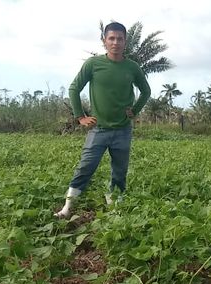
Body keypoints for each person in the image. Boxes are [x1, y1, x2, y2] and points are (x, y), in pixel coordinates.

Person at [56, 21, 151, 218]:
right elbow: (74, 88)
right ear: (104, 41)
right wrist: (80, 117)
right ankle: (67, 209)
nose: (116, 42)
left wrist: (135, 110)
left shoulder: (132, 67)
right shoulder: (93, 64)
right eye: (112, 38)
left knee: (119, 171)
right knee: (86, 167)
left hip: (123, 130)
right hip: (98, 129)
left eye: (120, 39)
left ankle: (114, 209)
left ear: (126, 42)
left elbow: (146, 91)